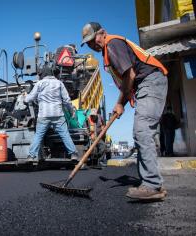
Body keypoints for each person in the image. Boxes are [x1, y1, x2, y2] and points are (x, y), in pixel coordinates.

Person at [81, 22, 168, 200]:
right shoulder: (108, 54)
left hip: (151, 81)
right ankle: (150, 182)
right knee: (140, 131)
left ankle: (152, 185)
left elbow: (130, 76)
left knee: (142, 130)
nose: (92, 44)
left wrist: (120, 103)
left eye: (93, 39)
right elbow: (129, 82)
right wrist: (121, 103)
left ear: (103, 33)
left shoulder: (112, 44)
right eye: (88, 43)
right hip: (145, 84)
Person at [24, 66, 79, 162]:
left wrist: (25, 97)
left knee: (38, 135)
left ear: (43, 74)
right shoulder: (59, 83)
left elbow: (29, 99)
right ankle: (73, 154)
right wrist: (71, 111)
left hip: (43, 115)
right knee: (65, 134)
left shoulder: (39, 83)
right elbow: (66, 100)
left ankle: (31, 156)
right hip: (58, 114)